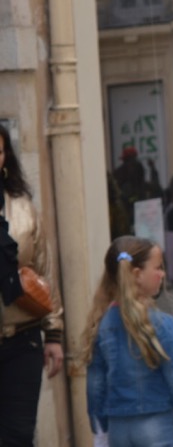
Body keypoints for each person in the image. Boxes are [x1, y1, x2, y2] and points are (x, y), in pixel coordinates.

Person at [82, 235, 173, 447]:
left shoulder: (102, 324)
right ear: (137, 275)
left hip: (118, 429)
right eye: (158, 268)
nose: (162, 274)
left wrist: (100, 433)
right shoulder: (162, 324)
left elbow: (95, 386)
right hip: (158, 426)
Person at [0, 124, 65, 445]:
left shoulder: (24, 209)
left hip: (22, 339)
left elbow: (44, 271)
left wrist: (53, 334)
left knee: (18, 435)